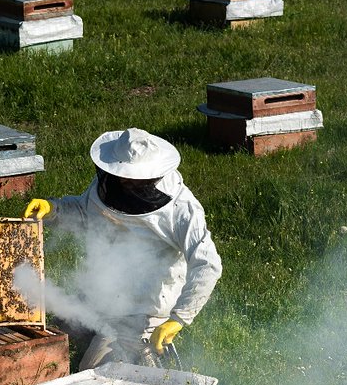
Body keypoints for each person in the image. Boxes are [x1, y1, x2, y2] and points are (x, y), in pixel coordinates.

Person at [23, 128, 222, 370]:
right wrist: (54, 209)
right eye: (121, 176)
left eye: (132, 180)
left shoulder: (182, 208)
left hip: (142, 308)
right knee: (43, 340)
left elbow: (207, 264)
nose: (124, 182)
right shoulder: (109, 184)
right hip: (99, 296)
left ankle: (145, 352)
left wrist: (177, 320)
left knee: (96, 373)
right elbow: (85, 211)